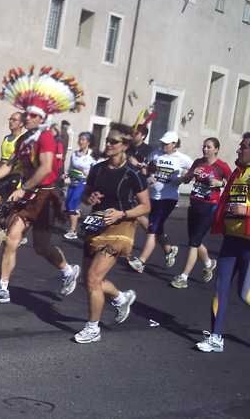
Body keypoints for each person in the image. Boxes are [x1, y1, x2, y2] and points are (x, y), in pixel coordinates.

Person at [0, 65, 85, 304]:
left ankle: (67, 270)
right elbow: (10, 164)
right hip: (27, 197)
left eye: (33, 115)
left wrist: (22, 188)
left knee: (41, 247)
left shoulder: (45, 138)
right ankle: (2, 288)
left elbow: (45, 168)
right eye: (26, 114)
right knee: (11, 239)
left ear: (43, 119)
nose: (28, 118)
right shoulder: (23, 139)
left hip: (45, 197)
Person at [74, 123, 150, 343]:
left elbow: (145, 206)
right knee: (91, 282)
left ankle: (92, 328)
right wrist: (90, 199)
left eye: (113, 141)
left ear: (125, 145)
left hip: (121, 226)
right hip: (96, 224)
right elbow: (84, 196)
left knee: (93, 277)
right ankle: (120, 297)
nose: (108, 144)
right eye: (107, 140)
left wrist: (122, 214)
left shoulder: (132, 172)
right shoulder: (98, 169)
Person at [196, 134, 250, 353]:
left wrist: (247, 211)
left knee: (245, 294)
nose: (238, 151)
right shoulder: (238, 174)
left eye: (244, 147)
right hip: (231, 240)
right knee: (219, 289)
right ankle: (216, 337)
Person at [171, 138, 232, 288]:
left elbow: (233, 182)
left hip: (210, 207)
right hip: (194, 205)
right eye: (204, 146)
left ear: (216, 149)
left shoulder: (221, 166)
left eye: (208, 147)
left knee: (193, 242)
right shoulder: (198, 162)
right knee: (194, 240)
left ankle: (183, 277)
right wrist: (192, 174)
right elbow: (185, 180)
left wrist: (221, 183)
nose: (205, 149)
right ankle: (209, 263)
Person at [129, 131, 193, 273]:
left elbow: (194, 170)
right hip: (152, 196)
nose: (163, 145)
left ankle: (141, 261)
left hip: (168, 198)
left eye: (167, 143)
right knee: (157, 228)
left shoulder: (181, 158)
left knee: (152, 229)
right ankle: (169, 250)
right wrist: (148, 179)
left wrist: (182, 179)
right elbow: (147, 170)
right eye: (162, 143)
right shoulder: (155, 154)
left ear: (174, 144)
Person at [0, 111, 24, 229]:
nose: (10, 121)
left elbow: (18, 161)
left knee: (12, 207)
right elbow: (5, 158)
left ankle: (14, 233)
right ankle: (3, 227)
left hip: (15, 177)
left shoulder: (22, 139)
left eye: (14, 120)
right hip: (2, 175)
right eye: (10, 119)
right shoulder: (6, 138)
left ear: (21, 123)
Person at [62, 132, 99, 240]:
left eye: (83, 139)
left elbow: (97, 171)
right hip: (73, 183)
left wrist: (89, 174)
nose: (81, 141)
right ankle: (84, 220)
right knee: (68, 206)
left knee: (72, 205)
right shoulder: (74, 154)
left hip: (83, 184)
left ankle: (73, 231)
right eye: (80, 139)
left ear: (89, 142)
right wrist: (66, 174)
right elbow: (70, 168)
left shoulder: (92, 156)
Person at [50, 124, 65, 192]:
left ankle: (60, 200)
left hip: (58, 167)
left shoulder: (58, 141)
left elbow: (60, 155)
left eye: (51, 131)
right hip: (53, 166)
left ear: (56, 131)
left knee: (56, 186)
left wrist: (49, 155)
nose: (50, 132)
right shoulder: (53, 139)